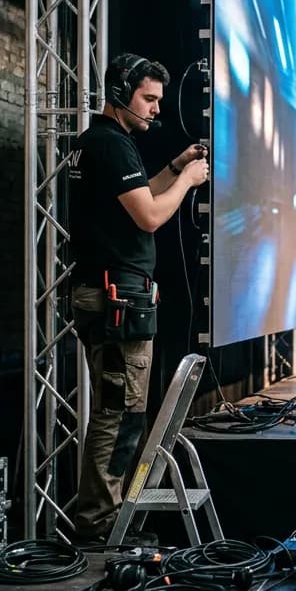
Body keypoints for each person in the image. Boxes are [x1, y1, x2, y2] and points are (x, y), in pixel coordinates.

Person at [68, 53, 211, 542]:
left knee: (121, 411)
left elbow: (140, 196)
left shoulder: (101, 142)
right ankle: (99, 525)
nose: (155, 109)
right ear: (119, 94)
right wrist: (188, 182)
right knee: (120, 414)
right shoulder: (111, 145)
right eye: (148, 98)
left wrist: (174, 167)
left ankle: (104, 519)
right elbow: (149, 216)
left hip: (113, 297)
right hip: (117, 302)